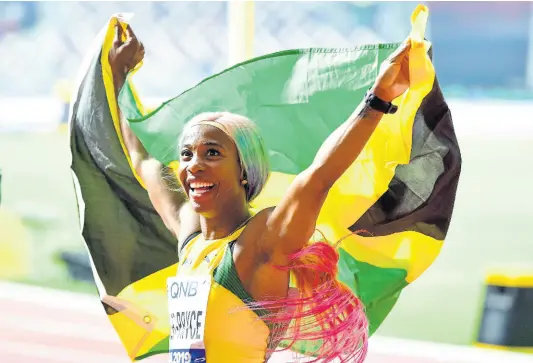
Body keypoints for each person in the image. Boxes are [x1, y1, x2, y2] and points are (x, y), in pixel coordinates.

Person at [108, 20, 411, 363]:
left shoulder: (260, 243)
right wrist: (119, 78)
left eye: (212, 153)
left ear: (243, 170)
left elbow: (319, 177)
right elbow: (142, 158)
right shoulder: (191, 236)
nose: (193, 165)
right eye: (186, 154)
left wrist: (379, 98)